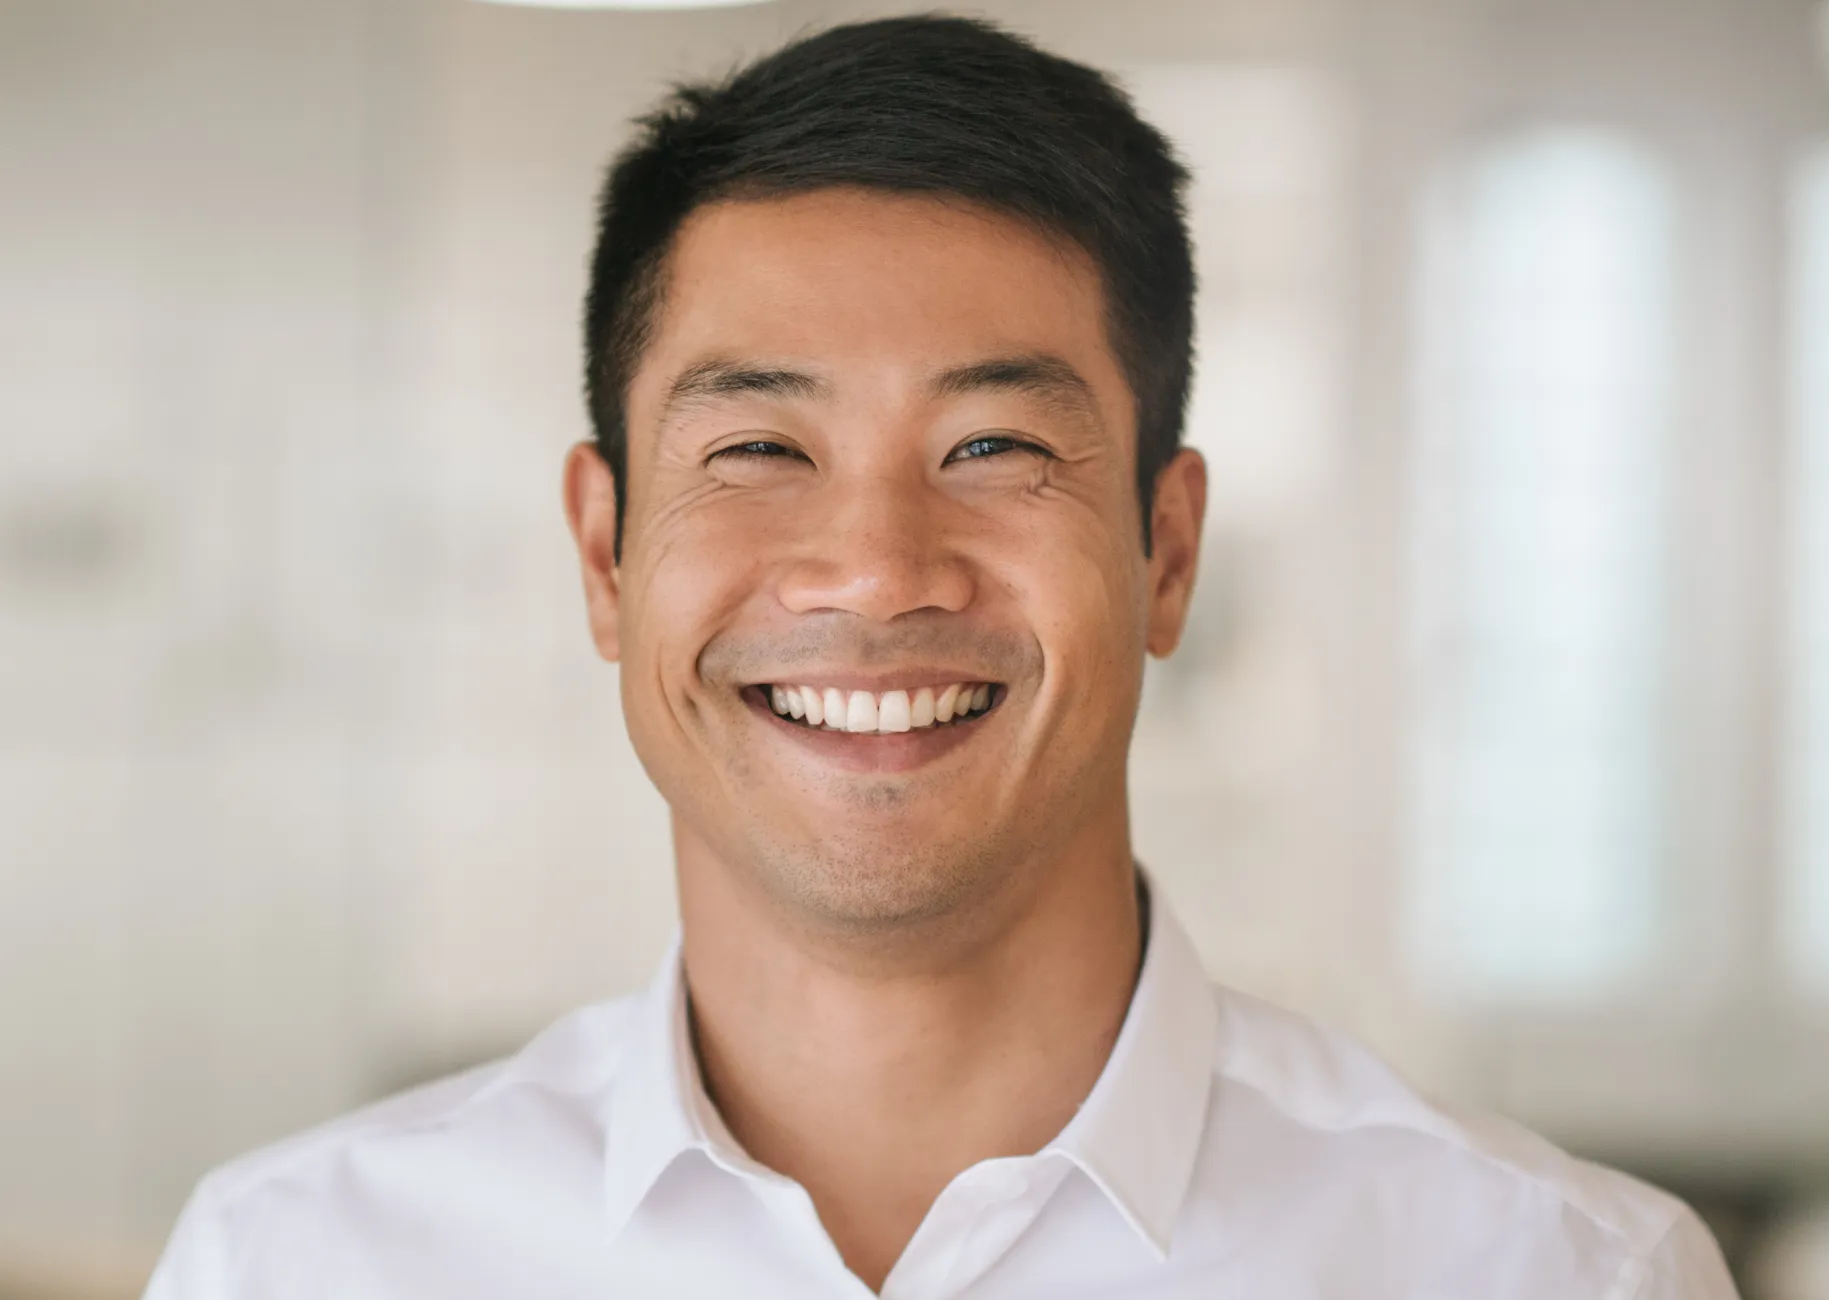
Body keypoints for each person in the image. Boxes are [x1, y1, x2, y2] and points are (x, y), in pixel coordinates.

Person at [144, 15, 1740, 1299]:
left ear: (1164, 552)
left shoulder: (1553, 1272)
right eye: (760, 446)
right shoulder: (296, 1262)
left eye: (993, 445)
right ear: (603, 554)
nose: (879, 568)